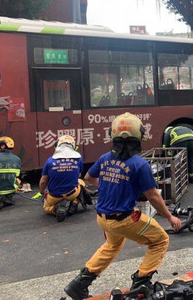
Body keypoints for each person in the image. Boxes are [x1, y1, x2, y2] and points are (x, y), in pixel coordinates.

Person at [64, 113, 181, 300]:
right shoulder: (140, 165)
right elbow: (153, 196)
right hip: (124, 220)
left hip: (102, 218)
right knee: (160, 240)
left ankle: (79, 283)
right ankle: (142, 281)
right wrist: (169, 217)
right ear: (140, 136)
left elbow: (88, 178)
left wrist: (109, 185)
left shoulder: (105, 158)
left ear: (113, 135)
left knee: (112, 245)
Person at [39, 135, 90, 222]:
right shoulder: (78, 159)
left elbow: (43, 182)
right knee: (80, 182)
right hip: (71, 193)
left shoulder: (50, 161)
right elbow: (78, 176)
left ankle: (55, 209)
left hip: (54, 196)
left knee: (46, 207)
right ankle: (75, 201)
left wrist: (42, 192)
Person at [0, 137, 21, 211]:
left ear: (2, 146)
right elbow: (17, 175)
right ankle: (8, 198)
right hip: (11, 190)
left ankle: (0, 199)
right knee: (17, 179)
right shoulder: (17, 159)